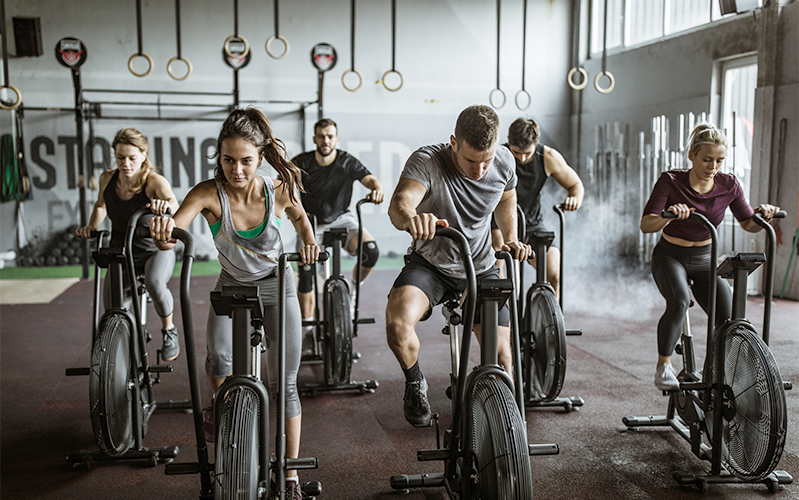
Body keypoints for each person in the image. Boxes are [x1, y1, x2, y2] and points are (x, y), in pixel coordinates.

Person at [148, 108, 320, 499]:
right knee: (217, 363)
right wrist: (162, 231)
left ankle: (289, 476)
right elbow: (172, 233)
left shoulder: (279, 190)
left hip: (278, 286)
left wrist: (310, 243)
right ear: (219, 158)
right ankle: (223, 410)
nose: (237, 170)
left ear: (259, 159)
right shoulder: (209, 193)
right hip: (231, 287)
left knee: (284, 384)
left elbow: (302, 221)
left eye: (245, 161)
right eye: (228, 160)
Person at [385, 105, 531, 427]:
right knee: (397, 322)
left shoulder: (504, 160)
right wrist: (412, 217)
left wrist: (510, 237)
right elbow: (400, 204)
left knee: (504, 359)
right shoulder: (428, 161)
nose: (479, 170)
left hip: (480, 267)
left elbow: (507, 199)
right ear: (454, 142)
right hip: (431, 265)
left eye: (486, 161)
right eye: (470, 161)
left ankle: (504, 432)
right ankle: (415, 383)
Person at [641, 123, 780, 391]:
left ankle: (713, 371)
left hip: (706, 257)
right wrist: (669, 213)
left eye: (719, 160)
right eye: (706, 159)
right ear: (692, 155)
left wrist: (765, 215)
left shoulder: (729, 185)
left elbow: (749, 223)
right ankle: (664, 367)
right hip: (671, 256)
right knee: (680, 302)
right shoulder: (670, 181)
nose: (713, 166)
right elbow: (646, 224)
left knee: (728, 318)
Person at [76, 128, 181, 361]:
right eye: (120, 157)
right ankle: (118, 348)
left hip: (154, 251)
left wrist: (163, 207)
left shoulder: (154, 181)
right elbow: (101, 205)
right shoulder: (107, 178)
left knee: (154, 282)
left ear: (144, 155)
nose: (126, 163)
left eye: (132, 158)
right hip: (121, 253)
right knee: (112, 308)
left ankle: (169, 330)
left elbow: (175, 205)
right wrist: (91, 228)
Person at [291, 118, 385, 354]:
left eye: (330, 136)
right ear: (315, 139)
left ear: (336, 138)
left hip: (342, 219)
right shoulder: (302, 162)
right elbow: (282, 182)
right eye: (321, 136)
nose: (326, 140)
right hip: (311, 224)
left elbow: (369, 179)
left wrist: (377, 188)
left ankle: (351, 291)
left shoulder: (346, 161)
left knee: (370, 252)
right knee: (306, 274)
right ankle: (307, 331)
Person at [490, 118, 584, 296]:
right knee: (498, 265)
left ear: (536, 144)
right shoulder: (497, 157)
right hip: (499, 223)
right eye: (517, 152)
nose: (522, 158)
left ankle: (550, 320)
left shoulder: (547, 157)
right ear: (509, 142)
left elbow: (575, 185)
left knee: (554, 273)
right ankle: (505, 314)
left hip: (532, 224)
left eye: (528, 153)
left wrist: (574, 198)